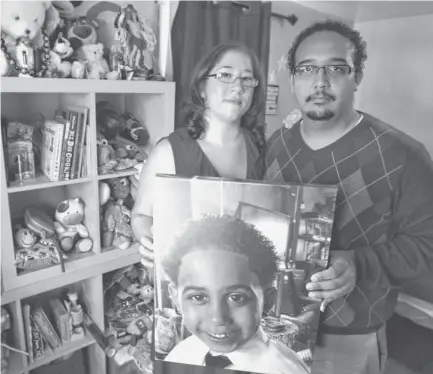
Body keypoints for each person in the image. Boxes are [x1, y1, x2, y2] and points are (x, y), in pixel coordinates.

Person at [265, 19, 433, 374]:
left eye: (336, 69)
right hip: (271, 329)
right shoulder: (276, 145)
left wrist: (358, 264)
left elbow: (427, 247)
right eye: (307, 68)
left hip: (350, 340)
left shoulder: (404, 156)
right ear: (293, 78)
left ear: (357, 77)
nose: (320, 82)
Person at [131, 42, 267, 374]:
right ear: (202, 87)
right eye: (226, 75)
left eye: (248, 80)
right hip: (190, 300)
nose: (238, 86)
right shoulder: (170, 151)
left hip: (240, 299)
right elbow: (141, 215)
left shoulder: (261, 149)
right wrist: (150, 242)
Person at [159, 215, 309, 374]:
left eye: (236, 297)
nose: (218, 318)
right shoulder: (180, 355)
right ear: (175, 298)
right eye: (198, 297)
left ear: (267, 301)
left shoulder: (286, 369)